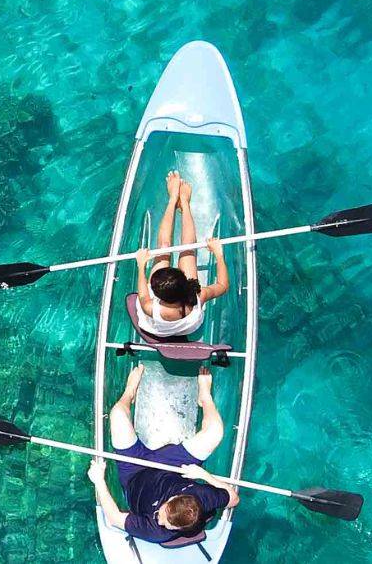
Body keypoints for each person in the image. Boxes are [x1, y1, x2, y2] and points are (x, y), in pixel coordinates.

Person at [87, 364, 239, 545]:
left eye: (166, 523)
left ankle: (129, 393)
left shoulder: (156, 531)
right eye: (163, 513)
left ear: (179, 530)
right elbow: (233, 499)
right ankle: (203, 397)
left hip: (134, 474)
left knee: (117, 415)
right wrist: (203, 475)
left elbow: (113, 517)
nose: (159, 519)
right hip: (172, 467)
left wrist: (99, 480)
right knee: (215, 432)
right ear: (175, 498)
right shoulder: (202, 497)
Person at [133, 170, 230, 339]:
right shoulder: (197, 297)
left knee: (163, 249)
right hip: (188, 327)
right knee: (188, 250)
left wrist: (141, 266)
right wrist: (219, 254)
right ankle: (184, 202)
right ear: (184, 284)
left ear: (157, 295)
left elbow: (142, 293)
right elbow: (222, 285)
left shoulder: (150, 307)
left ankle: (172, 199)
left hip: (157, 328)